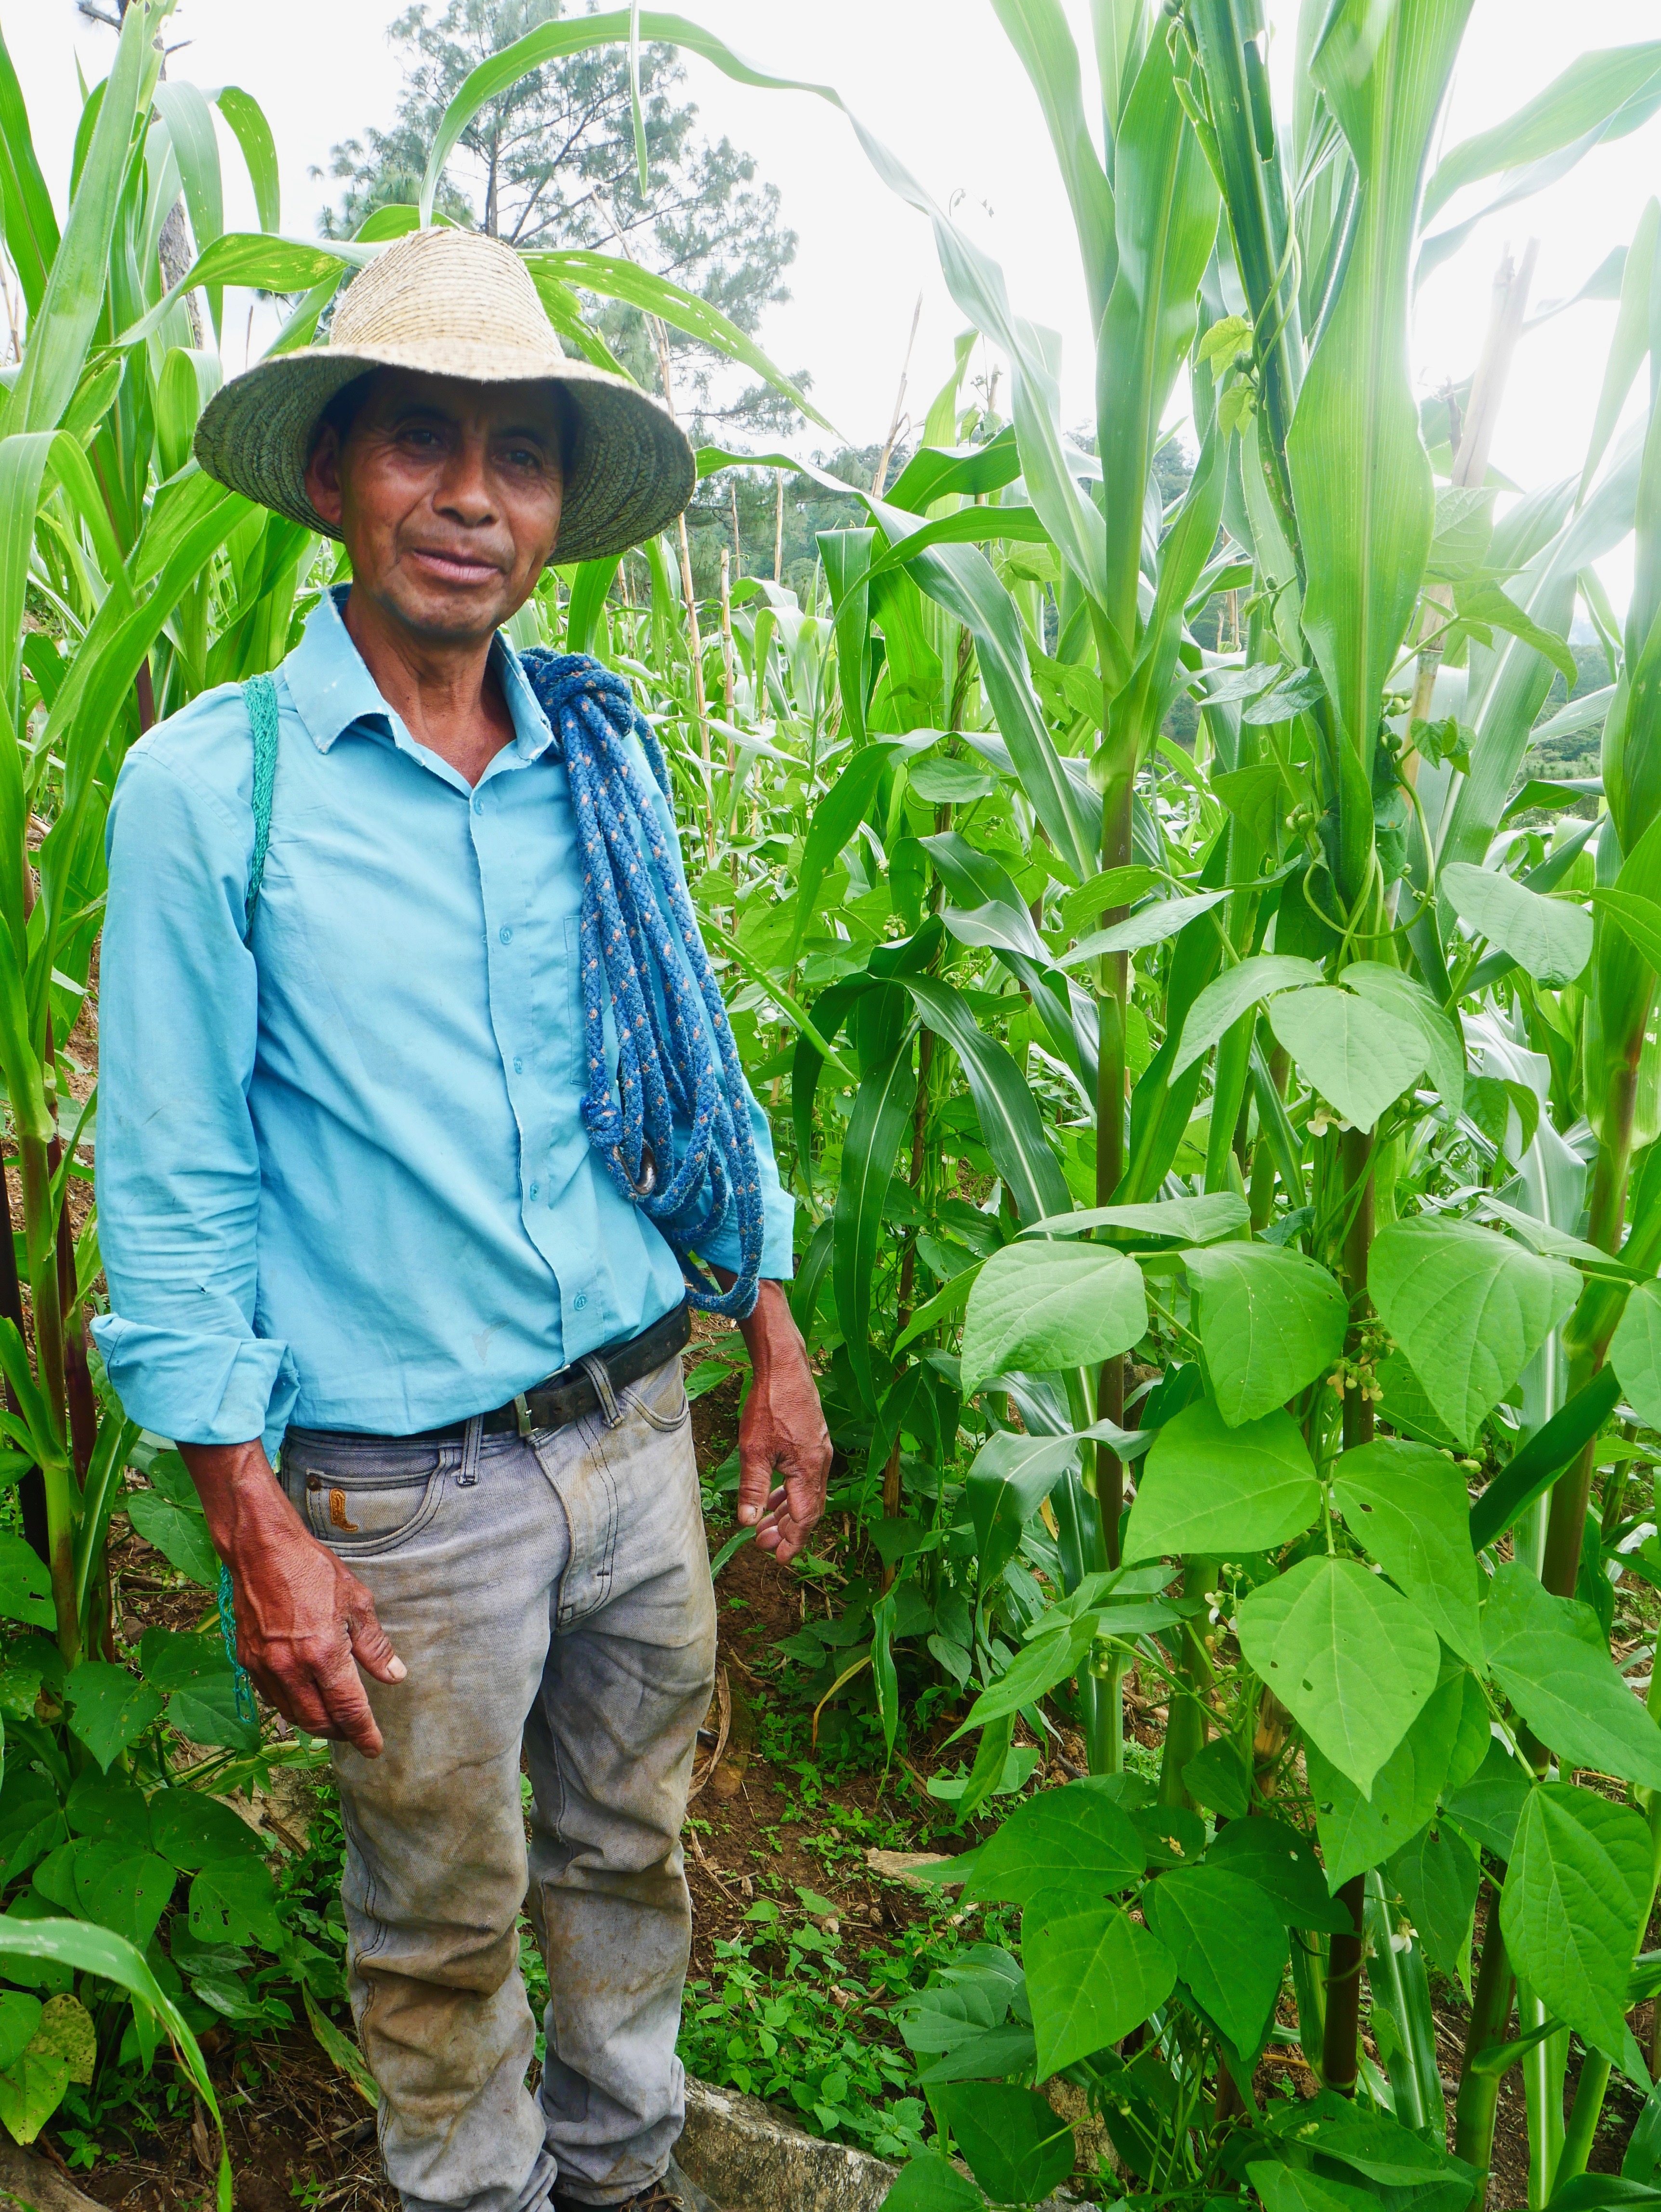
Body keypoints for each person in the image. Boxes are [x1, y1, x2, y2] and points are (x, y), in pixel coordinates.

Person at [92, 224, 832, 2212]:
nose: (472, 498)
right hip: (398, 1490)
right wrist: (254, 1525)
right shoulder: (214, 791)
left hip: (630, 1414)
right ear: (338, 476)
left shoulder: (600, 757)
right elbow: (169, 1180)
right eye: (423, 441)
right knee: (435, 1911)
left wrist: (765, 1330)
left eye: (517, 457)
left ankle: (626, 2165)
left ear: (555, 512)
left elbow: (695, 1048)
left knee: (630, 1844)